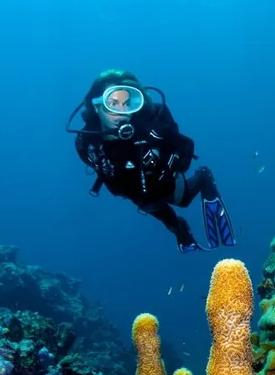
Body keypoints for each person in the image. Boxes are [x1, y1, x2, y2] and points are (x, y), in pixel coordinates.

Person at [65, 70, 234, 253]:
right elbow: (97, 167)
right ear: (96, 106)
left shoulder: (150, 126)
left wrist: (166, 162)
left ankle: (203, 177)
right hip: (133, 192)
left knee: (182, 200)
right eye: (113, 104)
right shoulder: (85, 142)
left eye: (127, 104)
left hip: (161, 179)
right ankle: (179, 228)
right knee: (153, 207)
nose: (122, 112)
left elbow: (186, 147)